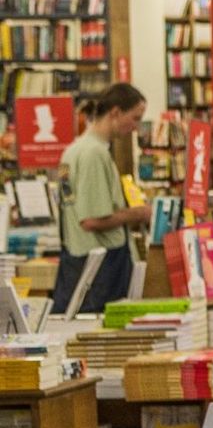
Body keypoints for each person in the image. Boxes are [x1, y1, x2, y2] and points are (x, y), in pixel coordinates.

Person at [57, 83, 149, 314]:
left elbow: (70, 204)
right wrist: (140, 213)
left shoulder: (71, 151)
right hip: (100, 268)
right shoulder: (94, 154)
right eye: (135, 118)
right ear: (116, 112)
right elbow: (91, 220)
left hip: (75, 260)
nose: (135, 127)